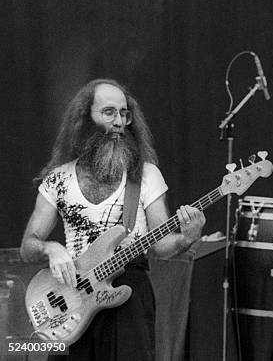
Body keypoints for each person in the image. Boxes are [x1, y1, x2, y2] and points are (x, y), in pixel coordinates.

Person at [20, 79, 206, 361]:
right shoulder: (58, 180)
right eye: (109, 112)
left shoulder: (145, 175)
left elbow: (162, 246)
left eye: (124, 113)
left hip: (128, 293)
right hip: (71, 296)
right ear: (85, 119)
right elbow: (28, 246)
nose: (119, 121)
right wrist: (51, 249)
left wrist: (188, 237)